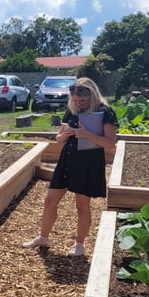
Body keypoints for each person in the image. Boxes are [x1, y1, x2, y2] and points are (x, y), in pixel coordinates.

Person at [23, 77, 117, 257]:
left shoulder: (105, 112)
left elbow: (111, 143)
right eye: (75, 100)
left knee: (82, 206)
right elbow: (58, 139)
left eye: (82, 100)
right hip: (67, 160)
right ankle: (43, 237)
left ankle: (79, 245)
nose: (78, 104)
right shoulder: (72, 111)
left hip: (88, 162)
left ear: (93, 96)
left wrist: (87, 134)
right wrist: (67, 133)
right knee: (50, 200)